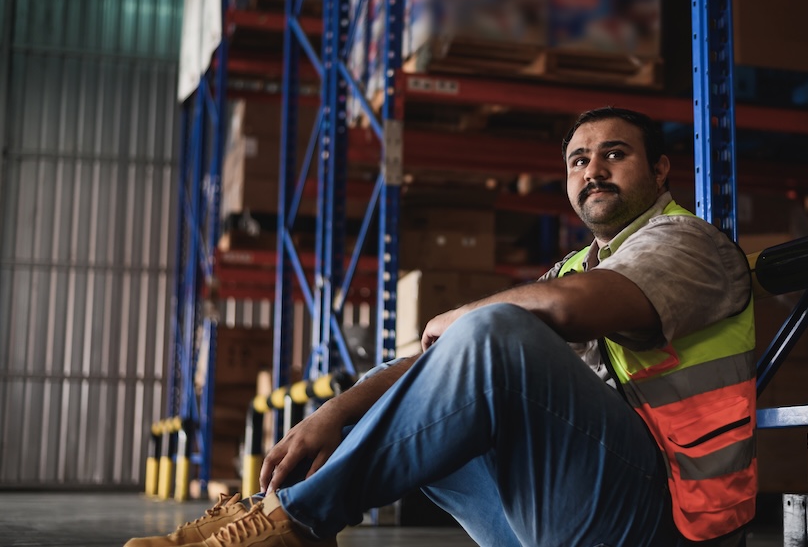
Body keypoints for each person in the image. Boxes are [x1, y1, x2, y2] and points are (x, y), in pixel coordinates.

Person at [125, 106, 757, 547]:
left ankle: (299, 523)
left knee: (491, 336)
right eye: (578, 160)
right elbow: (438, 360)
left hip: (672, 521)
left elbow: (560, 310)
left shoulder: (688, 242)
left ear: (662, 170)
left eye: (614, 155)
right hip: (574, 512)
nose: (593, 170)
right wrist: (333, 412)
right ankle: (274, 515)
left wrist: (467, 315)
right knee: (417, 394)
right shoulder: (572, 265)